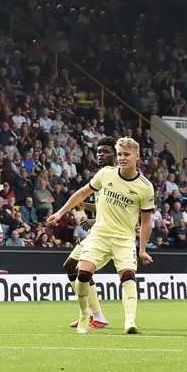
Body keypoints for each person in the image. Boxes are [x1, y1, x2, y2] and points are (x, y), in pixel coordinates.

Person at [47, 137, 155, 334]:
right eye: (120, 154)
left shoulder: (145, 187)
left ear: (137, 157)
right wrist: (61, 212)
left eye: (124, 154)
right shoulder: (104, 174)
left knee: (127, 275)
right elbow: (88, 196)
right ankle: (88, 314)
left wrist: (142, 249)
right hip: (100, 235)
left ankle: (127, 321)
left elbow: (142, 218)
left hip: (122, 238)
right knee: (79, 270)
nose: (121, 158)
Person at [63, 137, 114, 329]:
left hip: (110, 233)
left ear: (115, 155)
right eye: (98, 152)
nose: (100, 155)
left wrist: (95, 219)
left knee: (79, 269)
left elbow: (119, 209)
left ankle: (95, 315)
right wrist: (88, 205)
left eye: (105, 152)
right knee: (70, 266)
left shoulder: (118, 176)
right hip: (98, 231)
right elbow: (105, 205)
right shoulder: (101, 175)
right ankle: (93, 314)